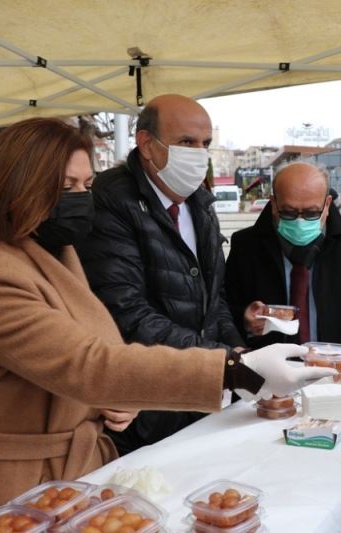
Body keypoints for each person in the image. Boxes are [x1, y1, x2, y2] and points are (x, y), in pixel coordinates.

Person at [0, 117, 335, 513]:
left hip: (73, 476)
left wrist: (113, 399)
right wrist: (233, 369)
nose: (81, 199)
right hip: (11, 490)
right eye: (65, 187)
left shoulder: (57, 257)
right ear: (18, 188)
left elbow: (80, 356)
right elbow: (88, 365)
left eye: (86, 186)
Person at [76, 95, 245, 455]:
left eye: (205, 143)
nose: (199, 154)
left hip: (204, 398)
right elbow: (126, 311)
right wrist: (225, 361)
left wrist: (237, 350)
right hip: (142, 409)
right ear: (146, 143)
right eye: (186, 142)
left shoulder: (200, 202)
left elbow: (214, 298)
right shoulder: (109, 199)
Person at [225, 162, 341, 347]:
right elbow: (222, 309)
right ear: (273, 204)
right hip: (269, 362)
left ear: (327, 204)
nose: (299, 221)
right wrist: (244, 318)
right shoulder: (246, 245)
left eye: (311, 213)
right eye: (288, 212)